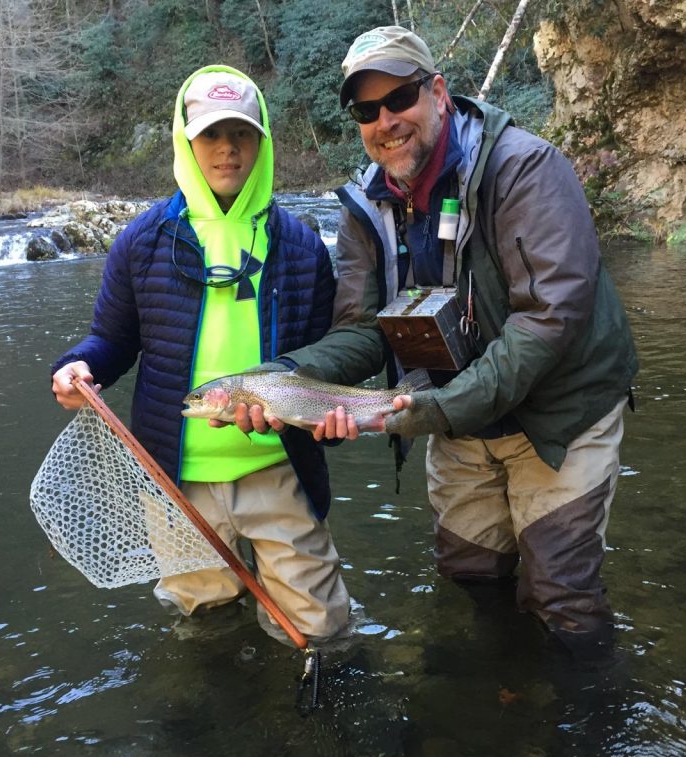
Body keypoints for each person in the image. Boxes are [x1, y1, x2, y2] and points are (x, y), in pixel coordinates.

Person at [246, 27, 639, 664]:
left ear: (438, 93)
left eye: (398, 98)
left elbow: (547, 321)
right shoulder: (362, 207)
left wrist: (435, 410)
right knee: (472, 578)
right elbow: (359, 330)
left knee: (560, 596)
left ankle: (585, 727)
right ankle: (490, 707)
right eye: (366, 111)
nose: (385, 121)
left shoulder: (525, 169)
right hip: (453, 416)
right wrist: (284, 379)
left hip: (560, 413)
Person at [50, 65, 350, 645]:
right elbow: (111, 341)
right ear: (186, 142)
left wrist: (331, 426)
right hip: (174, 484)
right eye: (211, 134)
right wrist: (79, 365)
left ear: (261, 140)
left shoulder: (302, 244)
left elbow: (327, 360)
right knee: (204, 631)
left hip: (279, 470)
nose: (227, 149)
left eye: (241, 133)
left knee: (320, 633)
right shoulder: (140, 241)